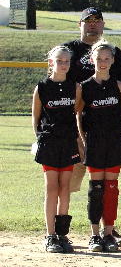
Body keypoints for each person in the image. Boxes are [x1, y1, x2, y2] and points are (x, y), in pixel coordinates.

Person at [64, 7, 121, 246]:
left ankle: (107, 230)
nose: (92, 24)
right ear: (80, 24)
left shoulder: (115, 53)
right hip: (76, 131)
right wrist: (77, 136)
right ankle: (59, 232)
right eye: (87, 20)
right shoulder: (68, 50)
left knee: (107, 185)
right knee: (67, 185)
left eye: (97, 20)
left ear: (103, 24)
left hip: (108, 133)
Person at [75, 40, 121, 252]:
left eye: (107, 58)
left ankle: (109, 233)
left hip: (114, 141)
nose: (103, 62)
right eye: (99, 58)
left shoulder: (120, 86)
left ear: (113, 60)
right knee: (96, 189)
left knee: (111, 189)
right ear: (92, 60)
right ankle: (95, 235)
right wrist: (83, 141)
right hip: (95, 141)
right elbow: (78, 115)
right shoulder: (84, 87)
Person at [32, 45, 81, 253]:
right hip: (49, 142)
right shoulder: (42, 87)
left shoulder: (75, 87)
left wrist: (79, 141)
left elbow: (76, 113)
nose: (63, 64)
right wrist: (39, 141)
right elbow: (36, 118)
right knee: (52, 188)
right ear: (51, 62)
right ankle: (50, 235)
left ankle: (62, 234)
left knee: (65, 187)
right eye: (59, 61)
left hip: (68, 142)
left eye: (66, 61)